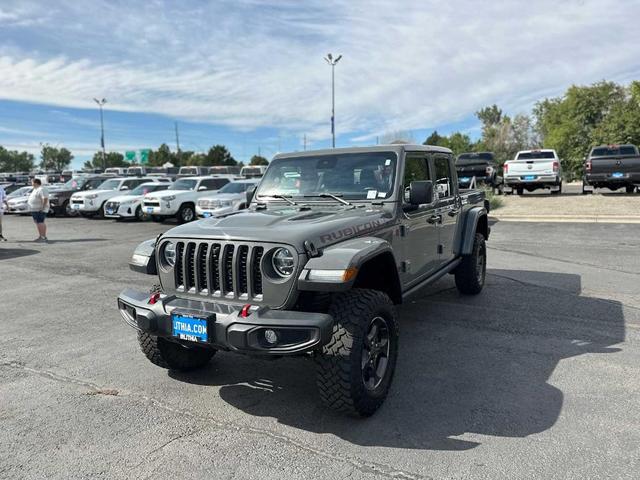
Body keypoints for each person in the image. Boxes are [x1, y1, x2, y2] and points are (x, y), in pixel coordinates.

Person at [27, 178, 49, 242]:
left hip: (40, 209)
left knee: (40, 222)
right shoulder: (35, 189)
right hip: (35, 209)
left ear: (35, 183)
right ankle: (41, 236)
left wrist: (43, 207)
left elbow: (45, 198)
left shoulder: (42, 189)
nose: (31, 184)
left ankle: (43, 237)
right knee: (38, 223)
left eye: (32, 182)